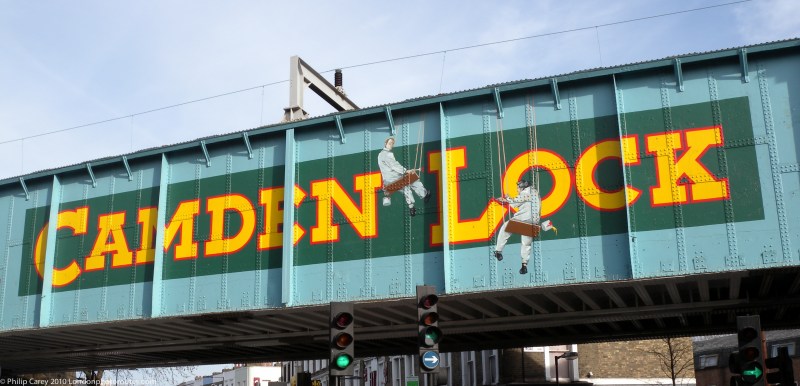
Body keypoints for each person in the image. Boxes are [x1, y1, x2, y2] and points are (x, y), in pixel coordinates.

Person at [494, 179, 541, 274]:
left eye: (518, 187)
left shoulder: (526, 192)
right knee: (526, 244)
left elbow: (515, 203)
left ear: (523, 187)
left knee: (505, 228)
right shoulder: (535, 192)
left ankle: (498, 251)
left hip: (523, 219)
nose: (517, 190)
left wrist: (505, 199)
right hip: (533, 222)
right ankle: (524, 265)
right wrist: (509, 199)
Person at [377, 137, 430, 216]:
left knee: (406, 188)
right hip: (394, 179)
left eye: (392, 144)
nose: (391, 145)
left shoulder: (380, 155)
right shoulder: (387, 154)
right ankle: (425, 194)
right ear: (385, 143)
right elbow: (394, 165)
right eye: (390, 143)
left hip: (388, 183)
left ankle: (411, 208)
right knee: (413, 178)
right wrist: (405, 171)